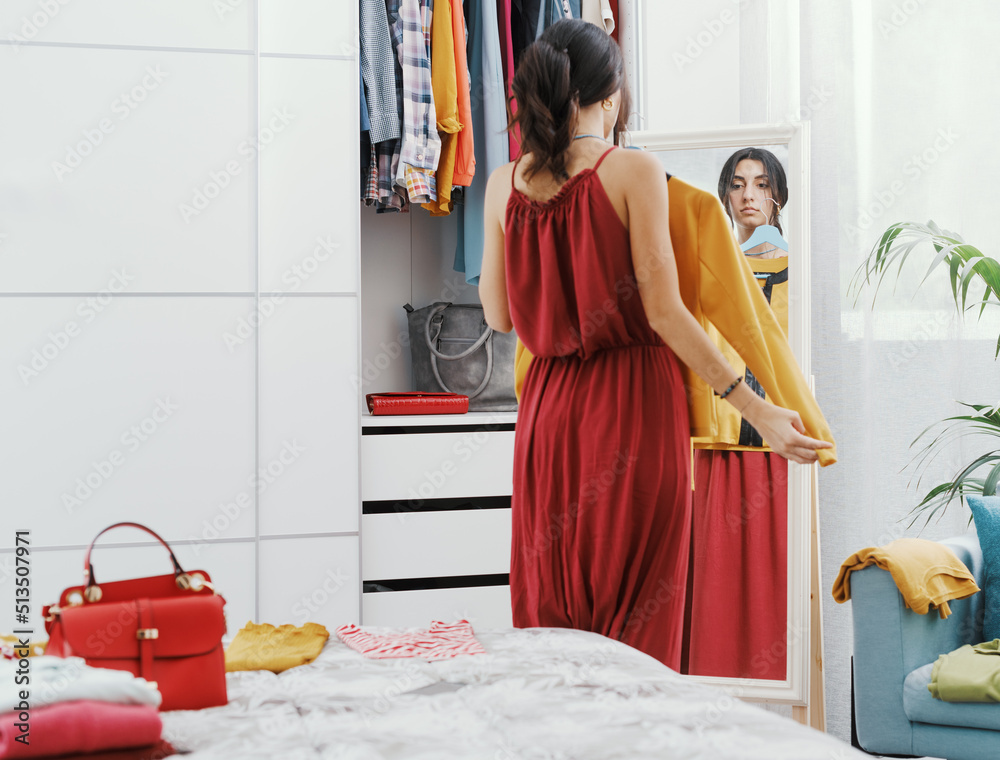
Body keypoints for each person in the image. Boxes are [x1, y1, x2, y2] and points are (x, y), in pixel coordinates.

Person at [478, 18, 831, 670]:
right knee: (637, 621)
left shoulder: (505, 185)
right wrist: (760, 411)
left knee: (551, 618)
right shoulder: (635, 172)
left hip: (548, 417)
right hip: (634, 410)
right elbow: (667, 315)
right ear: (610, 96)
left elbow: (499, 316)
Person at [682, 147, 796, 680]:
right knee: (715, 577)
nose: (748, 194)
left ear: (777, 194)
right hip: (719, 435)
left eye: (760, 183)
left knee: (779, 577)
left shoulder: (796, 267)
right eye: (737, 183)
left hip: (779, 437)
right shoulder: (706, 264)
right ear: (725, 195)